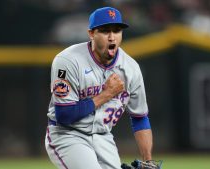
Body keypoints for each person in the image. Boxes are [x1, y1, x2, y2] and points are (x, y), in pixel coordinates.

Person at [45, 6, 155, 169]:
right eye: (105, 31)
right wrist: (107, 94)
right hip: (67, 134)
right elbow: (64, 115)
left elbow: (140, 117)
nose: (112, 37)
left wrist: (147, 161)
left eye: (117, 31)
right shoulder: (68, 61)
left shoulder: (131, 68)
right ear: (91, 33)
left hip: (103, 136)